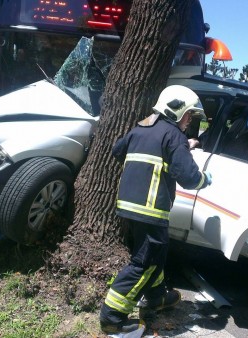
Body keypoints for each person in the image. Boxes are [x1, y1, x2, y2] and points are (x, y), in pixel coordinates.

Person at [99, 85, 213, 335]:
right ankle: (112, 317)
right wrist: (206, 178)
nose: (188, 121)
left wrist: (180, 147)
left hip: (129, 206)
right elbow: (190, 179)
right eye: (188, 115)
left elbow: (118, 150)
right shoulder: (174, 136)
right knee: (146, 262)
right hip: (151, 211)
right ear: (176, 110)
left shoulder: (141, 129)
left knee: (157, 256)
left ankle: (155, 297)